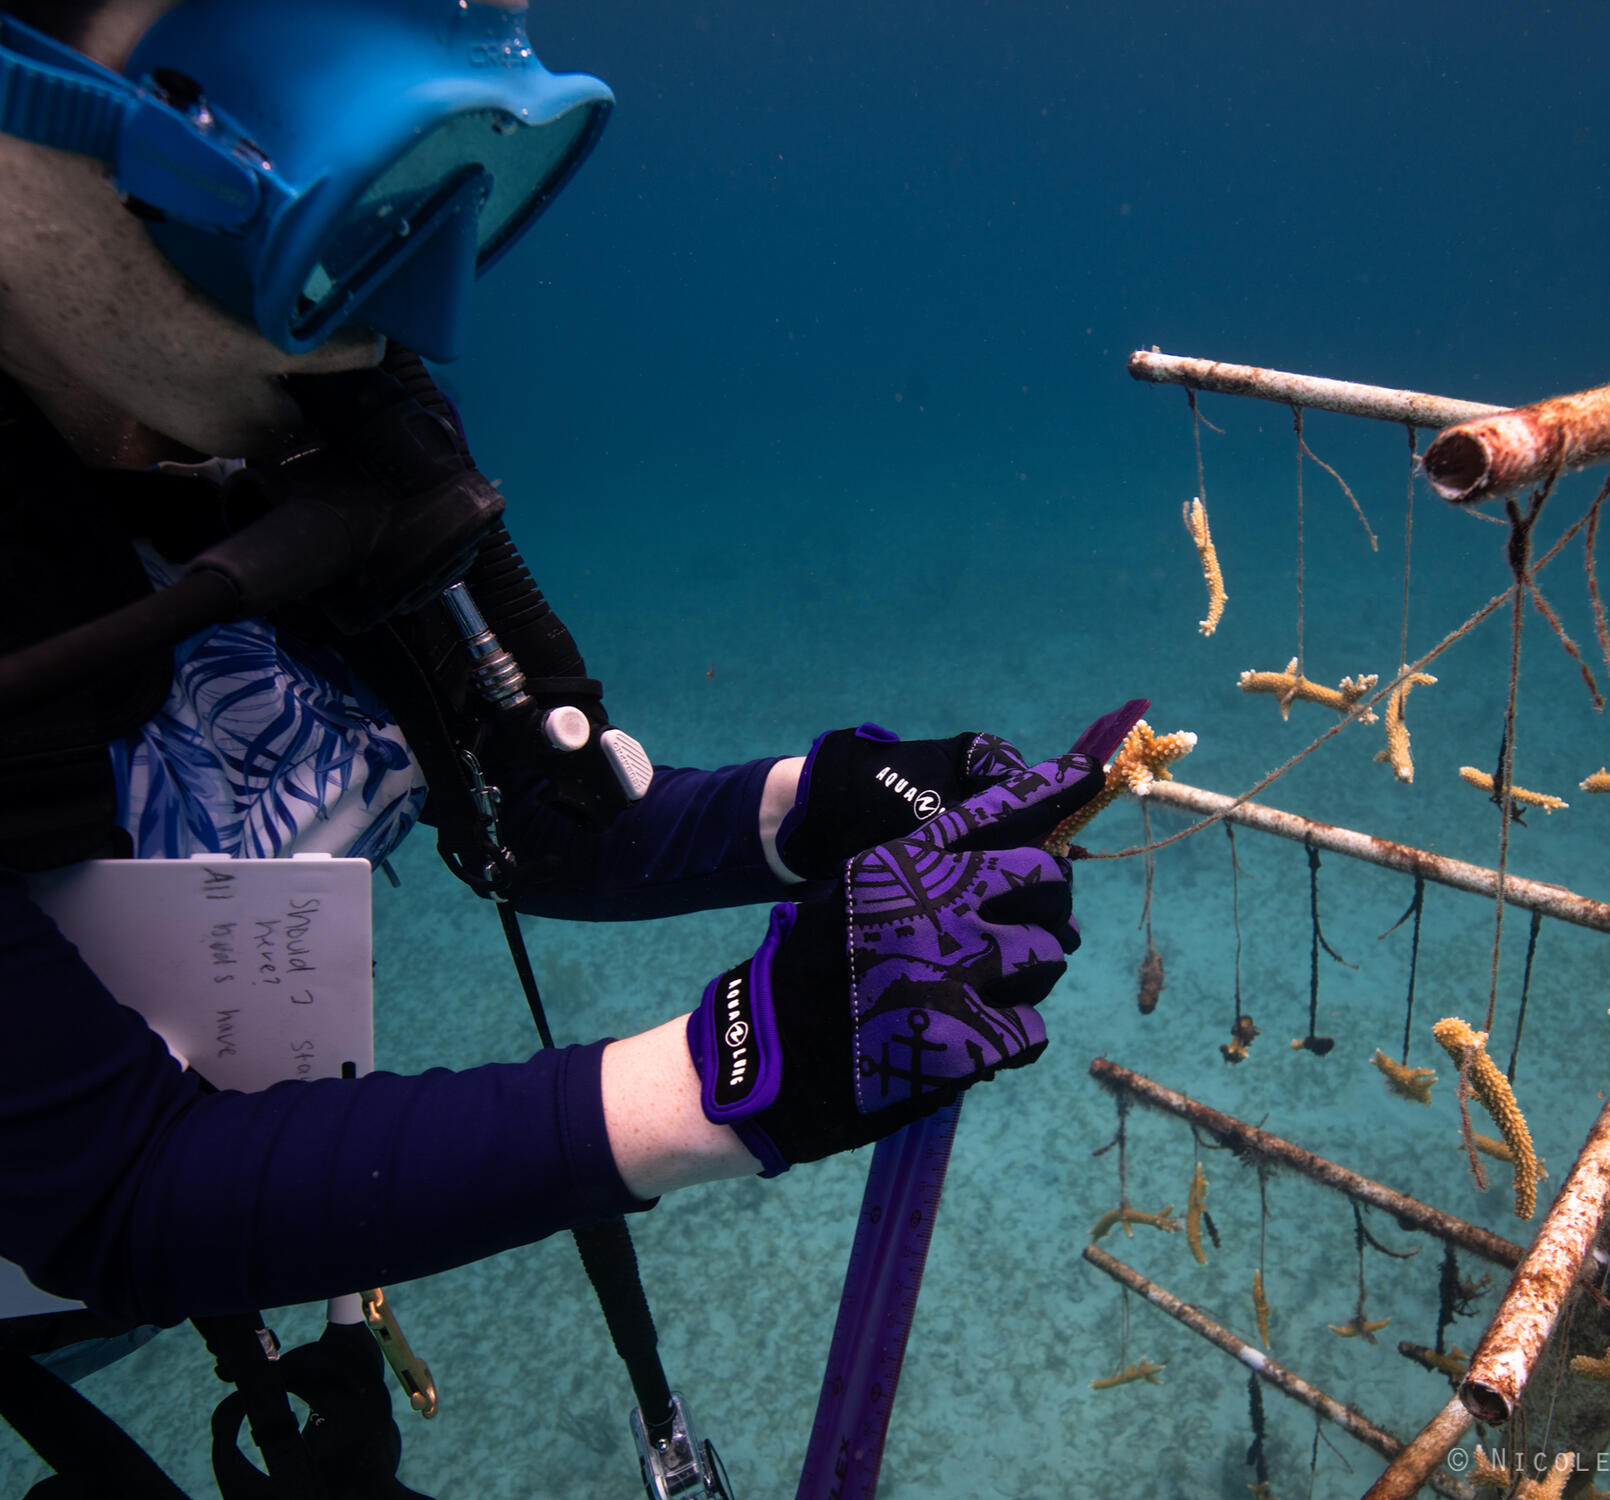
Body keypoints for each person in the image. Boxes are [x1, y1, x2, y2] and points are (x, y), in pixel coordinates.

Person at [0, 1, 1111, 1493]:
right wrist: (731, 1076)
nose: (423, 295)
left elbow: (553, 821)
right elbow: (112, 1189)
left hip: (240, 1244)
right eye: (312, 125)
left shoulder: (305, 399)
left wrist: (818, 804)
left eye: (456, 166)